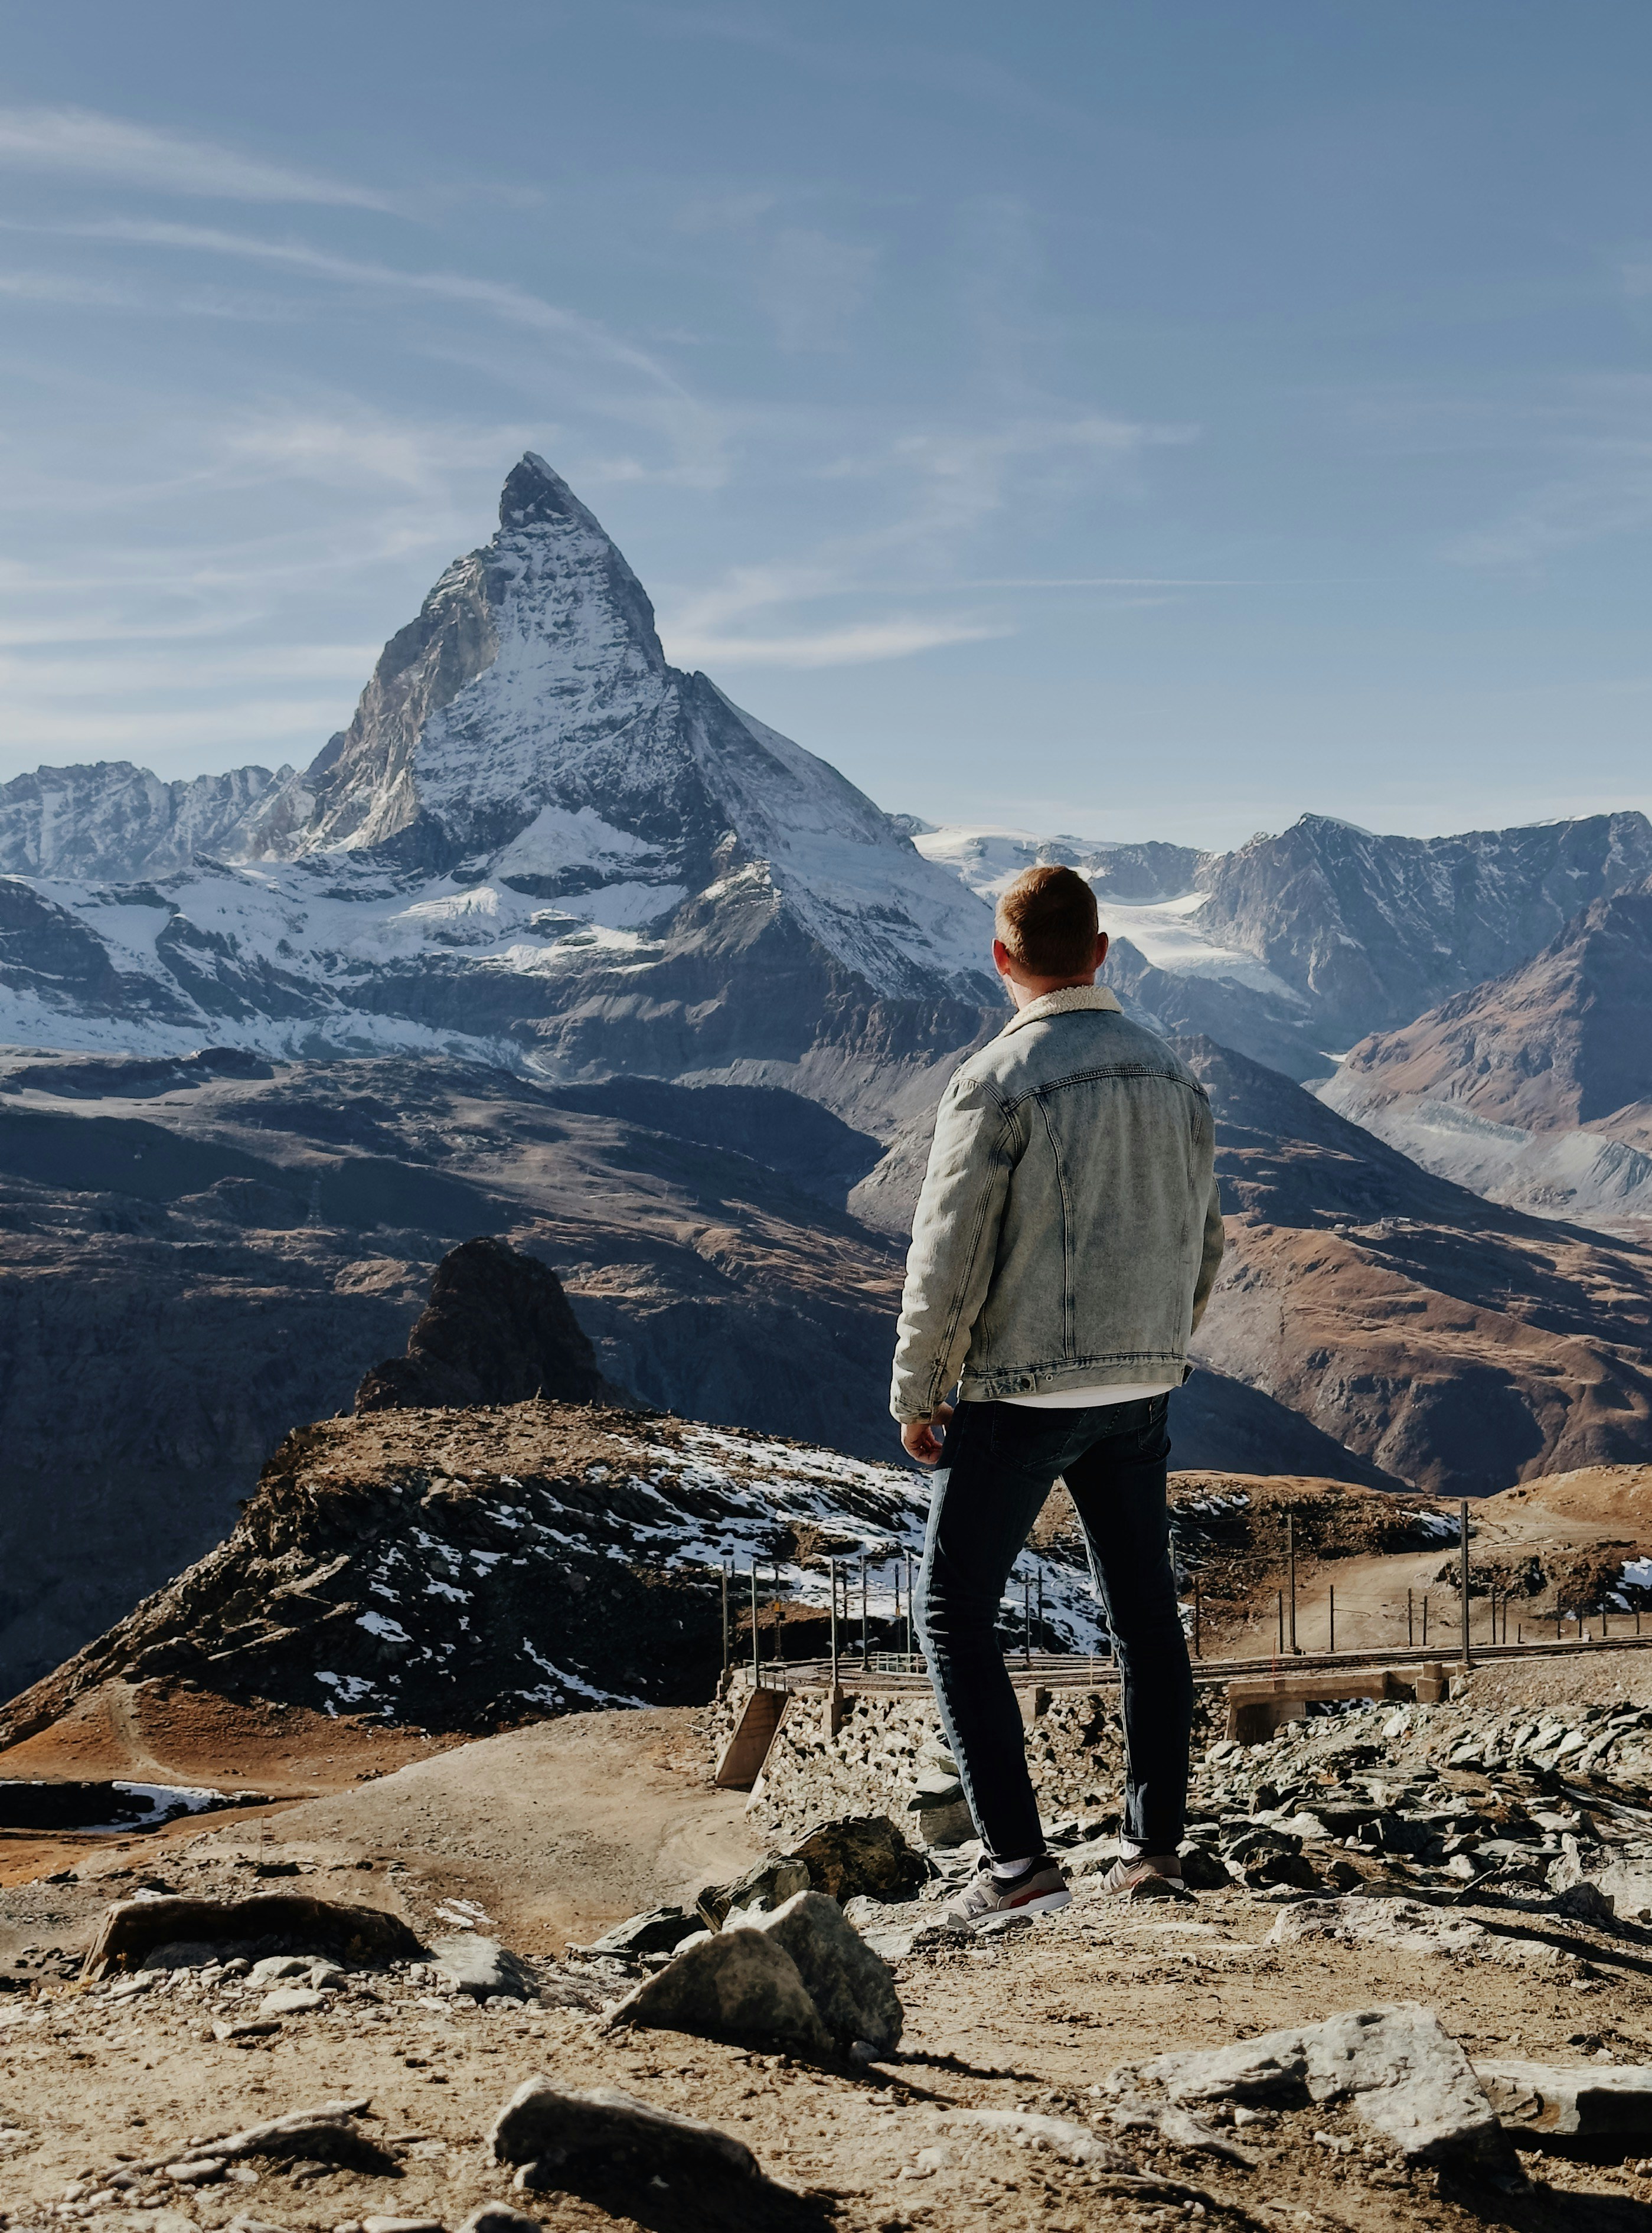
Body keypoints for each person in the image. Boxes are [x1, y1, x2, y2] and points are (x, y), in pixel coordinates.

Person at [890, 863, 1223, 1924]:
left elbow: (946, 1255)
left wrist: (918, 1388)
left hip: (1022, 1391)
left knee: (949, 1611)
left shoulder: (997, 1077)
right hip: (1140, 1386)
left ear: (1002, 960)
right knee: (1142, 1613)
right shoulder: (1171, 1072)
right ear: (1102, 952)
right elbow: (1204, 1237)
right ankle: (1153, 1847)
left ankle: (1018, 1865)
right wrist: (1160, 1342)